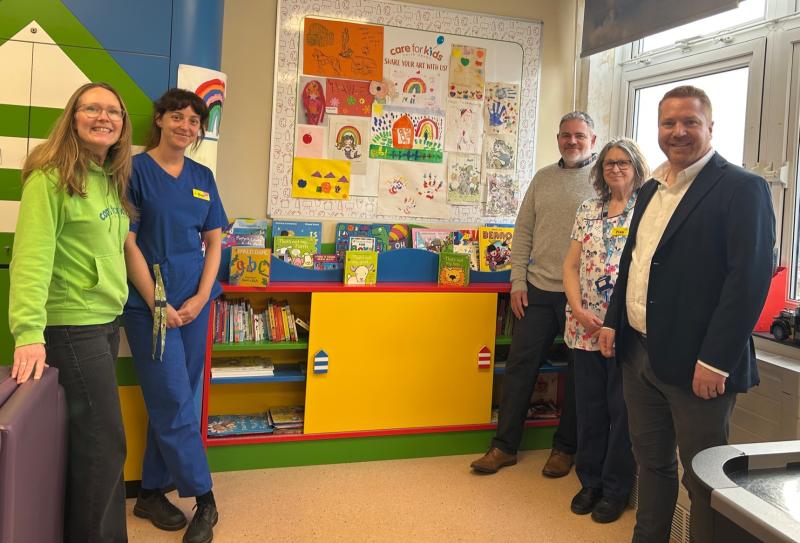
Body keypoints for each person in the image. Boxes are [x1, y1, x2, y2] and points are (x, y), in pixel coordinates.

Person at [598, 86, 775, 542]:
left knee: (704, 481)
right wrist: (614, 322)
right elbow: (634, 261)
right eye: (668, 123)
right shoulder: (653, 186)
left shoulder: (742, 188)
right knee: (651, 464)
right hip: (639, 355)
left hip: (699, 366)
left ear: (710, 127)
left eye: (690, 122)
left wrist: (716, 360)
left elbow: (748, 281)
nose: (678, 132)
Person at [9, 82, 133, 542]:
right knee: (104, 446)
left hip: (103, 323)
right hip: (71, 326)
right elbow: (32, 258)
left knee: (98, 447)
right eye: (92, 108)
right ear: (73, 117)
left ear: (123, 125)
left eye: (113, 112)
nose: (104, 117)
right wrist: (28, 332)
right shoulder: (50, 178)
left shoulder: (108, 178)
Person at [123, 88, 227, 543]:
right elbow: (126, 242)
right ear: (161, 119)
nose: (187, 127)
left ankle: (148, 492)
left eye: (195, 121)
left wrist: (203, 298)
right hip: (153, 305)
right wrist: (157, 303)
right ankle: (205, 499)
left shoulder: (203, 175)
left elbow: (215, 241)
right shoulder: (133, 170)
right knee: (173, 400)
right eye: (178, 117)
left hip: (195, 303)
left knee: (181, 397)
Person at [471, 111, 598, 477]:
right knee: (519, 367)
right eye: (565, 135)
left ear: (592, 138)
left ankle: (564, 449)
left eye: (579, 135)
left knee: (578, 374)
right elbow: (522, 231)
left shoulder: (604, 179)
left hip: (582, 298)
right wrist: (517, 282)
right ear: (557, 139)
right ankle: (503, 447)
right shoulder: (542, 179)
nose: (571, 141)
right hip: (538, 290)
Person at [562, 139, 648, 524]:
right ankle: (590, 482)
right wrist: (578, 310)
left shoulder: (646, 210)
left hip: (624, 329)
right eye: (610, 163)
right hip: (584, 326)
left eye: (623, 162)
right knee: (591, 410)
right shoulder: (588, 210)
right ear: (601, 170)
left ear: (636, 166)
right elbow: (570, 266)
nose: (615, 168)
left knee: (622, 412)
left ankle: (615, 490)